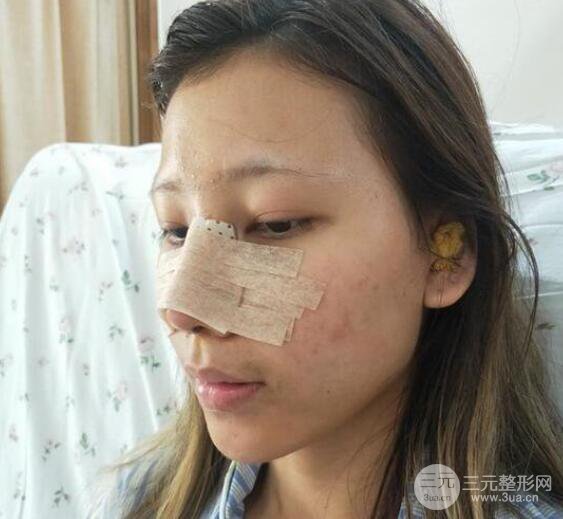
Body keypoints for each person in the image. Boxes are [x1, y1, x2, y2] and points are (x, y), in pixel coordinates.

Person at [87, 0, 563, 517]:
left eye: (275, 224)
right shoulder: (136, 500)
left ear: (445, 254)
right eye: (176, 231)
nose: (182, 309)